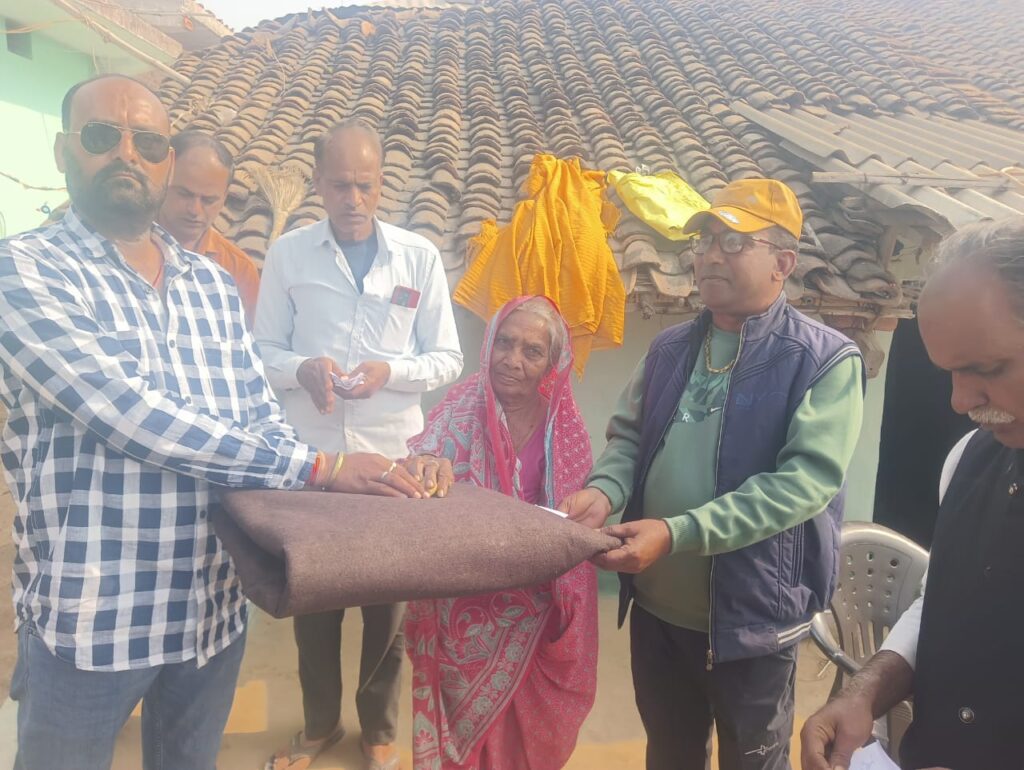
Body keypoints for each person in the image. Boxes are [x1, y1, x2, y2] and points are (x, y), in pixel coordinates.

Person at [0, 75, 433, 770]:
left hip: (210, 611)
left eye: (149, 143)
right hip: (94, 619)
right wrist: (318, 467)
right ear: (63, 151)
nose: (128, 155)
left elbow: (258, 408)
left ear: (166, 159)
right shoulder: (24, 271)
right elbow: (129, 414)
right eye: (103, 137)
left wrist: (324, 483)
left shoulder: (208, 283)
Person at [559, 178, 865, 769]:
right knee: (670, 755)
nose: (710, 255)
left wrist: (676, 532)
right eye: (703, 241)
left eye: (734, 241)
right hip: (657, 613)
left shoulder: (823, 360)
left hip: (753, 625)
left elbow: (802, 484)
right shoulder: (670, 348)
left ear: (783, 263)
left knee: (753, 761)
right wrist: (604, 490)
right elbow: (630, 438)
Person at [256, 118, 463, 770]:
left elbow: (448, 357)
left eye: (366, 185)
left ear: (381, 183)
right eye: (341, 184)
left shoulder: (417, 257)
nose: (354, 199)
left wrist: (389, 371)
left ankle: (378, 732)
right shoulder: (289, 255)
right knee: (314, 603)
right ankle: (320, 725)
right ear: (319, 182)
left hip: (393, 460)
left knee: (387, 609)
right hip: (315, 462)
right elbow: (262, 351)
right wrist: (302, 369)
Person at [801, 218, 1024, 770]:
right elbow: (941, 605)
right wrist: (865, 693)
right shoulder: (967, 460)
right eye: (948, 373)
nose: (959, 401)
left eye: (987, 369)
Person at [403, 295, 598, 770]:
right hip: (464, 608)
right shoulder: (459, 408)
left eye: (532, 351)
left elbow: (577, 518)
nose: (512, 360)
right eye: (505, 344)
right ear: (488, 344)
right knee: (467, 741)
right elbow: (419, 463)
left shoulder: (563, 425)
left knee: (528, 741)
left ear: (552, 363)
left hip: (537, 607)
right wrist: (424, 465)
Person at [157, 129, 261, 326]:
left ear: (224, 198)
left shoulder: (238, 270)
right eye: (184, 194)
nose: (194, 210)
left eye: (208, 200)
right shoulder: (122, 244)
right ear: (161, 180)